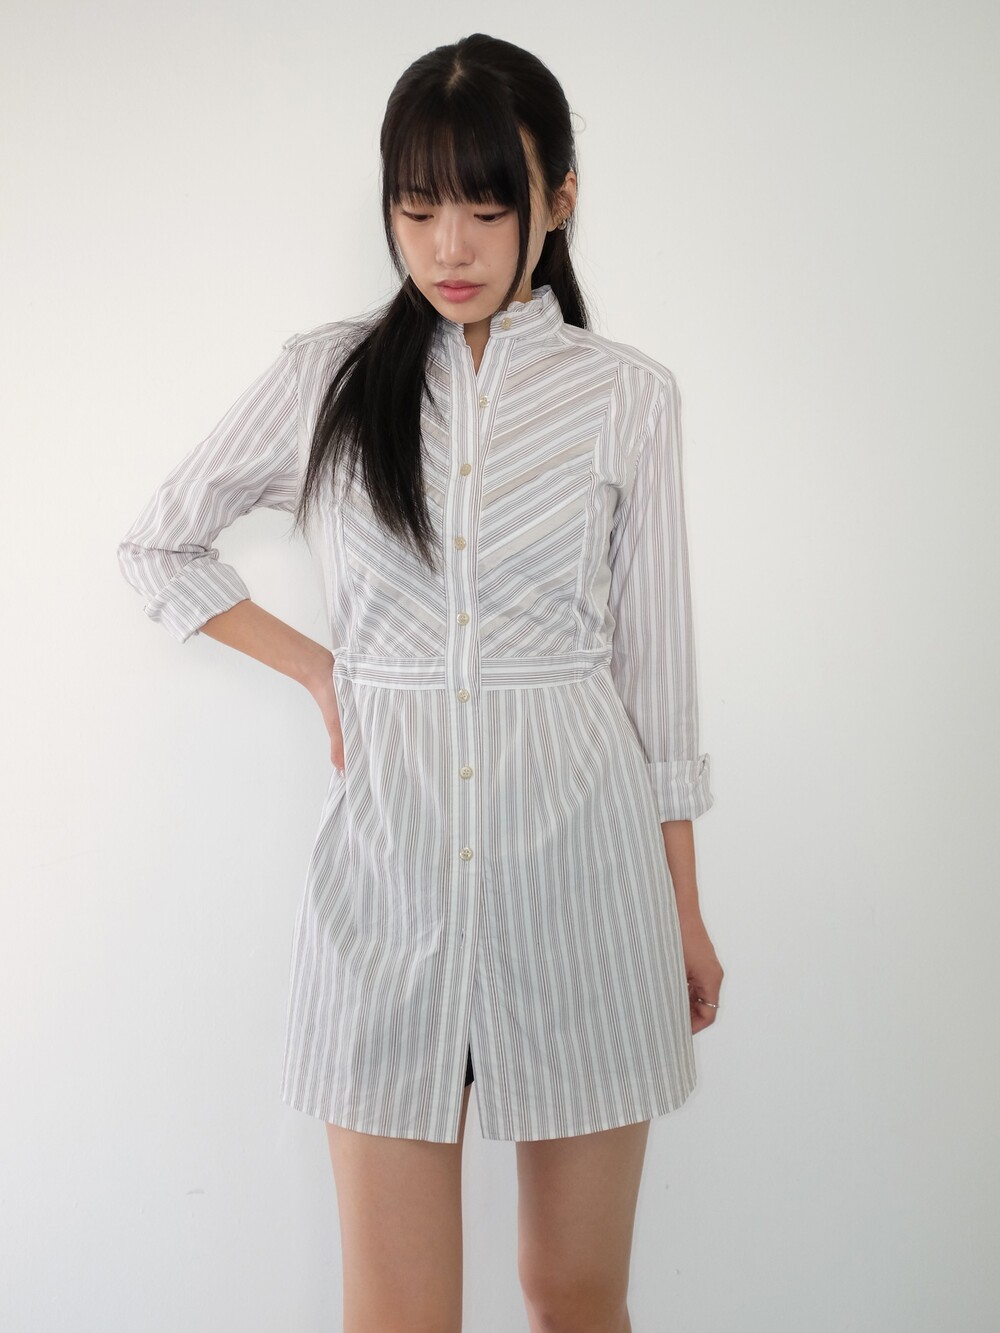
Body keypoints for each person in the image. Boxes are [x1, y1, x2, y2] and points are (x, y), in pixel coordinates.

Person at [117, 31, 723, 1333]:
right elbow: (158, 541)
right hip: (383, 895)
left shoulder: (629, 400)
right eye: (418, 207)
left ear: (559, 199)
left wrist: (682, 906)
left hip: (587, 884)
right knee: (397, 1314)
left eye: (488, 207)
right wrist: (322, 671)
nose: (450, 245)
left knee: (573, 1294)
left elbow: (658, 684)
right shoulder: (327, 379)